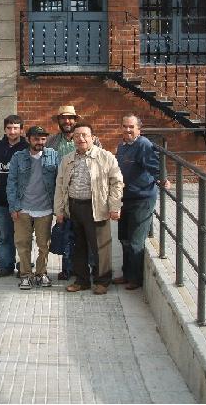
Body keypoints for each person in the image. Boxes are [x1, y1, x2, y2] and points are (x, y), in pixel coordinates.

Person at [54, 122, 123, 295]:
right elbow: (60, 185)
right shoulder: (67, 159)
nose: (81, 139)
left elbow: (117, 183)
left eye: (84, 135)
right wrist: (59, 210)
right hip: (74, 207)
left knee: (101, 247)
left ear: (92, 138)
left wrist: (114, 206)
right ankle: (81, 280)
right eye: (77, 136)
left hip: (97, 208)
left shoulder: (105, 157)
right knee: (78, 246)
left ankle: (102, 281)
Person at [45, 105, 101, 280]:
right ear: (59, 121)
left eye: (70, 118)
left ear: (76, 121)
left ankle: (94, 270)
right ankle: (68, 269)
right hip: (63, 194)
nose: (66, 121)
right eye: (63, 118)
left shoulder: (94, 141)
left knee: (90, 237)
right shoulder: (52, 142)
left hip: (88, 197)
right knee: (67, 235)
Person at [115, 114, 167, 290]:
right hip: (125, 198)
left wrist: (162, 178)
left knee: (136, 240)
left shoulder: (143, 144)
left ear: (139, 129)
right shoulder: (122, 146)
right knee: (123, 237)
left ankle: (135, 279)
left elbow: (155, 165)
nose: (127, 130)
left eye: (131, 127)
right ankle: (126, 273)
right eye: (124, 126)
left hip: (142, 198)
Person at [7, 126, 59, 290]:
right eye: (36, 139)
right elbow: (12, 183)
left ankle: (41, 273)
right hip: (23, 209)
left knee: (44, 245)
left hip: (45, 209)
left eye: (43, 139)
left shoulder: (53, 155)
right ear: (28, 139)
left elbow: (60, 181)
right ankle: (25, 275)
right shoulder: (18, 157)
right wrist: (14, 207)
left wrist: (59, 208)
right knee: (23, 244)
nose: (40, 142)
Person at [0, 115, 28, 277]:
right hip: (1, 200)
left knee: (23, 236)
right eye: (9, 128)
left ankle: (23, 265)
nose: (12, 131)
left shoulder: (27, 147)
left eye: (16, 128)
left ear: (21, 130)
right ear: (5, 129)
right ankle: (5, 264)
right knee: (4, 235)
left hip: (23, 201)